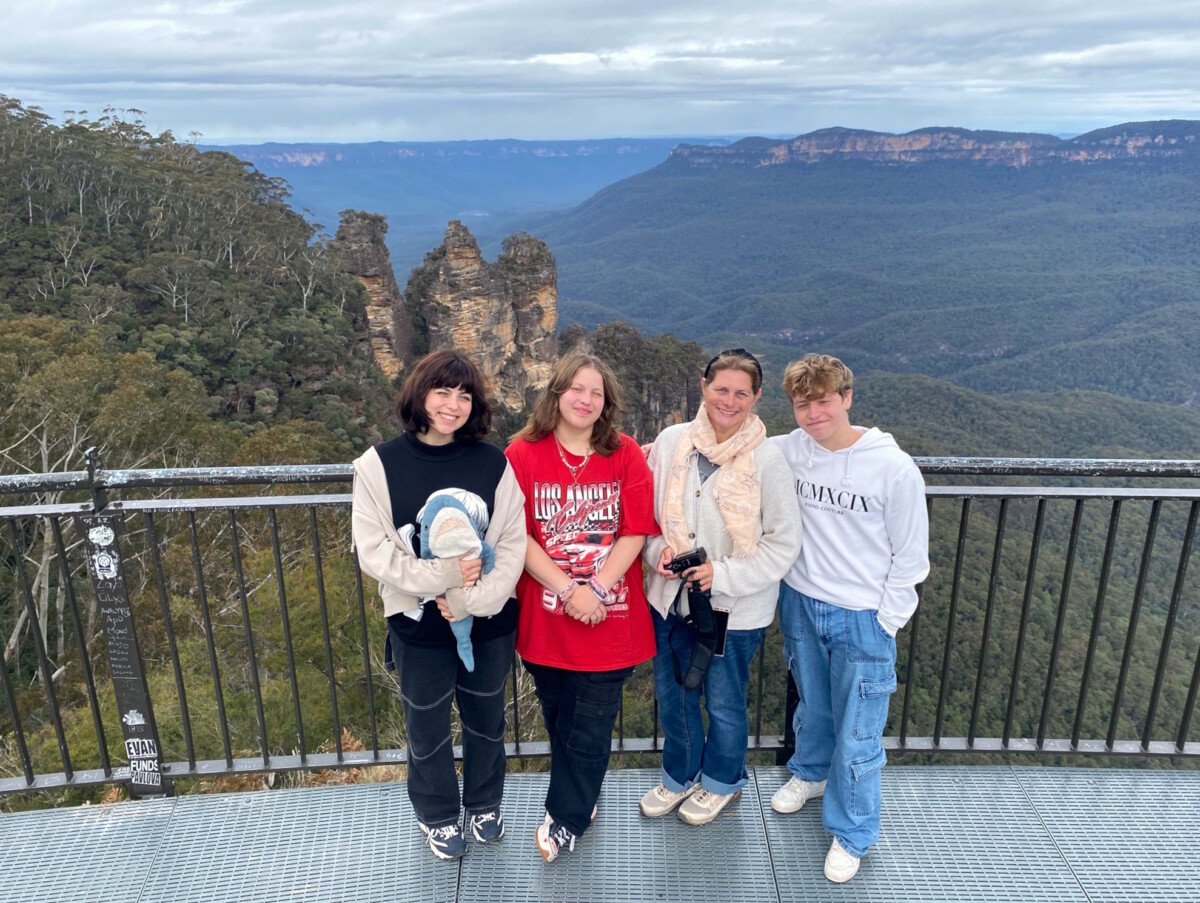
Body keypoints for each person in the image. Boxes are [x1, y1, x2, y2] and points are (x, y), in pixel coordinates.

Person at [351, 350, 526, 862]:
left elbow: (511, 543)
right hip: (416, 624)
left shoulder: (493, 461)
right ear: (419, 394)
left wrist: (473, 597)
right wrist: (443, 578)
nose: (453, 405)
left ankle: (485, 804)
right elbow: (374, 551)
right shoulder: (377, 465)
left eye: (464, 395)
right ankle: (438, 814)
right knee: (425, 724)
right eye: (442, 391)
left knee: (486, 718)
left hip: (490, 621)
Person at [769, 353, 929, 883]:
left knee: (859, 731)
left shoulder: (892, 467)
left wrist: (887, 621)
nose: (814, 414)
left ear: (847, 398)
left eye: (823, 401)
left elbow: (911, 557)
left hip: (863, 616)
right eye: (802, 404)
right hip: (800, 602)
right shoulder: (789, 450)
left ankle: (853, 830)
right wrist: (659, 449)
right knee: (814, 707)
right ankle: (810, 774)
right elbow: (731, 450)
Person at [505, 351, 658, 862]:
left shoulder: (626, 454)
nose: (585, 399)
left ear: (606, 404)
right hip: (546, 619)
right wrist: (571, 591)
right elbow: (518, 535)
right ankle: (583, 796)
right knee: (559, 719)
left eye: (596, 392)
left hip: (611, 619)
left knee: (590, 725)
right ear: (556, 393)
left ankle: (566, 816)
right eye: (576, 388)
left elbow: (635, 530)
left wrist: (594, 589)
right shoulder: (522, 455)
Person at [640, 349, 801, 826]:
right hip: (669, 599)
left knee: (725, 700)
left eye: (741, 393)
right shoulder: (672, 442)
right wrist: (657, 555)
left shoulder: (767, 461)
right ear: (704, 386)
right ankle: (680, 774)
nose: (729, 401)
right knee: (674, 695)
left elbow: (782, 545)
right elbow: (646, 520)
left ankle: (721, 782)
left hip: (735, 608)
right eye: (721, 389)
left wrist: (721, 575)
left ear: (755, 398)